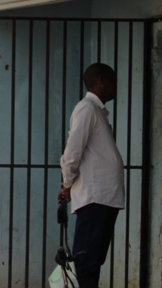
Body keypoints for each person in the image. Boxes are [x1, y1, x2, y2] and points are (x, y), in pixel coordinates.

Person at [58, 63, 125, 288]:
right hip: (94, 197)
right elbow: (72, 152)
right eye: (113, 81)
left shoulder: (97, 111)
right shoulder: (87, 108)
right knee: (86, 261)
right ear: (101, 81)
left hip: (105, 198)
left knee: (93, 260)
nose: (116, 86)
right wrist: (66, 185)